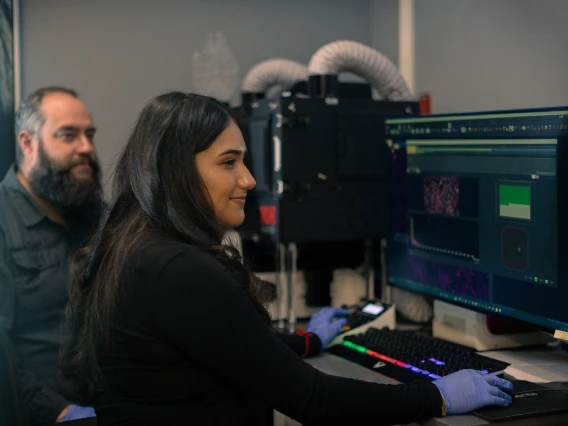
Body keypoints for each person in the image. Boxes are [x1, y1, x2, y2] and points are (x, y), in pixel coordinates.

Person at [62, 92, 513, 426]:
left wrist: (305, 342)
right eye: (229, 162)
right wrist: (434, 396)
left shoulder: (132, 246)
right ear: (178, 171)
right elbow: (312, 400)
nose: (249, 178)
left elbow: (223, 341)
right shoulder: (180, 269)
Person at [0, 87, 102, 425]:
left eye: (89, 134)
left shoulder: (97, 216)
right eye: (68, 135)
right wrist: (60, 412)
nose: (86, 148)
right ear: (28, 143)